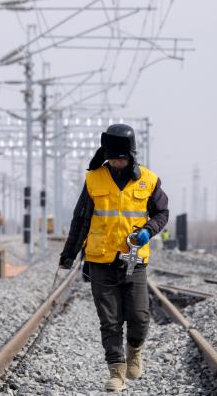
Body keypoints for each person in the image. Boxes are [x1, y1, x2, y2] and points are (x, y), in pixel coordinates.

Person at [58, 124, 169, 392]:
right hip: (100, 260)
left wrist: (148, 231)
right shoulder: (94, 179)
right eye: (113, 157)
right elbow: (80, 220)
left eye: (122, 157)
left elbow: (162, 213)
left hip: (135, 261)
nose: (118, 162)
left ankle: (135, 351)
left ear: (131, 155)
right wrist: (68, 255)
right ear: (106, 154)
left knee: (140, 316)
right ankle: (116, 372)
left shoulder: (149, 180)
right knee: (110, 320)